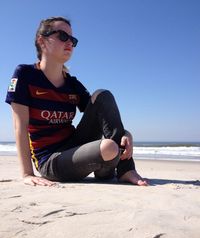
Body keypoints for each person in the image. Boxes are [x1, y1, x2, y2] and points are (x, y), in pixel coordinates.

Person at [5, 16, 148, 187]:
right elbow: (19, 127)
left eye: (73, 40)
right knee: (109, 147)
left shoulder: (72, 84)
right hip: (51, 159)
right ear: (42, 41)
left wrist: (125, 133)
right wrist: (27, 174)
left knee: (103, 95)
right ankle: (107, 163)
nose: (70, 43)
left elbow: (102, 114)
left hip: (75, 145)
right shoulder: (25, 75)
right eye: (63, 36)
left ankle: (125, 169)